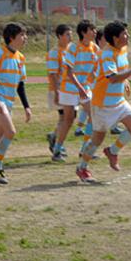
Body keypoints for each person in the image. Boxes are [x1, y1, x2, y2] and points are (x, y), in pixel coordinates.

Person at [76, 20, 131, 183]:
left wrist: (126, 81)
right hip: (102, 106)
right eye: (124, 34)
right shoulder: (107, 54)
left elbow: (120, 71)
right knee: (97, 140)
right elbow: (112, 78)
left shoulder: (123, 49)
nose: (128, 36)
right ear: (114, 38)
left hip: (118, 102)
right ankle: (82, 167)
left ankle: (112, 151)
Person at [0, 22, 31, 185]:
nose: (25, 38)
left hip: (8, 102)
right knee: (10, 133)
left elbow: (21, 85)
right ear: (11, 38)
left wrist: (26, 107)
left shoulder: (20, 57)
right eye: (22, 35)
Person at [52, 19, 99, 162]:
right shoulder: (73, 48)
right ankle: (57, 149)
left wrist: (91, 84)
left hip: (83, 88)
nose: (95, 32)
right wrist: (80, 88)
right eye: (92, 29)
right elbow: (70, 72)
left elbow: (96, 70)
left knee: (94, 115)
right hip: (69, 88)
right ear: (84, 32)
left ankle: (85, 149)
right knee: (68, 120)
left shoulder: (95, 48)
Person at [46, 24, 71, 156]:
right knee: (65, 117)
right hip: (59, 89)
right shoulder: (54, 52)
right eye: (67, 34)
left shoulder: (71, 50)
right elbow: (53, 74)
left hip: (69, 90)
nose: (70, 37)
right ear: (60, 36)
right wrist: (56, 92)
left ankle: (54, 136)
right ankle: (57, 145)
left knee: (69, 117)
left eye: (70, 34)